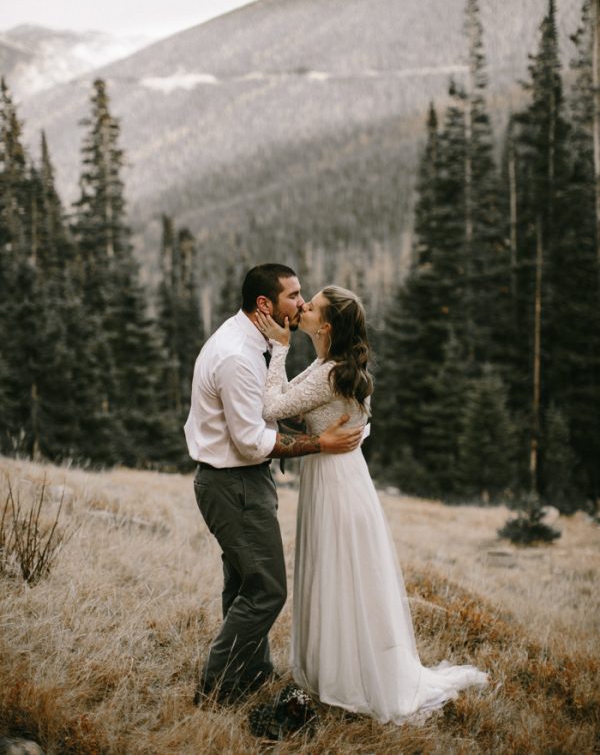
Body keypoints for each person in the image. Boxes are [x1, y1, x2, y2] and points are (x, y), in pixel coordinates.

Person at [255, 285, 488, 724]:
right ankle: (336, 670)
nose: (301, 305)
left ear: (323, 326)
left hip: (337, 486)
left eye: (312, 304)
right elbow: (288, 401)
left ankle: (348, 679)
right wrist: (285, 358)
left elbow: (271, 406)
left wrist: (279, 350)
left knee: (339, 574)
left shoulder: (330, 374)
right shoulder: (329, 367)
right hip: (339, 478)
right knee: (336, 574)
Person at [184, 264, 364, 705]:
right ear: (265, 304)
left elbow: (274, 405)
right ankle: (217, 689)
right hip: (233, 483)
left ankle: (252, 672)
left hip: (241, 482)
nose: (301, 304)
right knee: (267, 590)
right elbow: (250, 442)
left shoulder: (252, 341)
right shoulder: (235, 355)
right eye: (294, 296)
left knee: (244, 582)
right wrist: (318, 442)